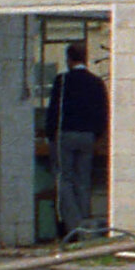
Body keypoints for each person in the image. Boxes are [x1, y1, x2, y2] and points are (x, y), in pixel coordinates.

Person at [48, 41, 110, 237]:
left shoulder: (63, 80)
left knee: (64, 178)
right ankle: (85, 224)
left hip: (65, 134)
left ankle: (72, 226)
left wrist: (51, 135)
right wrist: (98, 135)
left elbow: (54, 111)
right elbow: (103, 111)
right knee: (83, 180)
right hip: (88, 136)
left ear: (69, 59)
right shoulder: (96, 82)